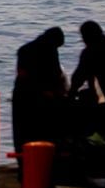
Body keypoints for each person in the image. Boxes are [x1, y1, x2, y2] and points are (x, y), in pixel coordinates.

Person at [12, 27, 68, 156]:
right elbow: (55, 75)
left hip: (21, 96)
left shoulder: (24, 49)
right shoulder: (50, 51)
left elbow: (22, 75)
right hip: (42, 98)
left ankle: (23, 163)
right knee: (43, 134)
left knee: (22, 134)